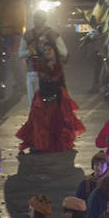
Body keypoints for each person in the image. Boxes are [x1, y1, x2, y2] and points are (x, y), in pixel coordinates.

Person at [17, 25, 87, 154]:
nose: (48, 52)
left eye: (50, 50)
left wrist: (63, 97)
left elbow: (61, 81)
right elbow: (43, 80)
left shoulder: (57, 63)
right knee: (40, 121)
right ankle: (40, 144)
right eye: (45, 50)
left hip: (58, 97)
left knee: (58, 122)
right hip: (44, 96)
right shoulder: (41, 64)